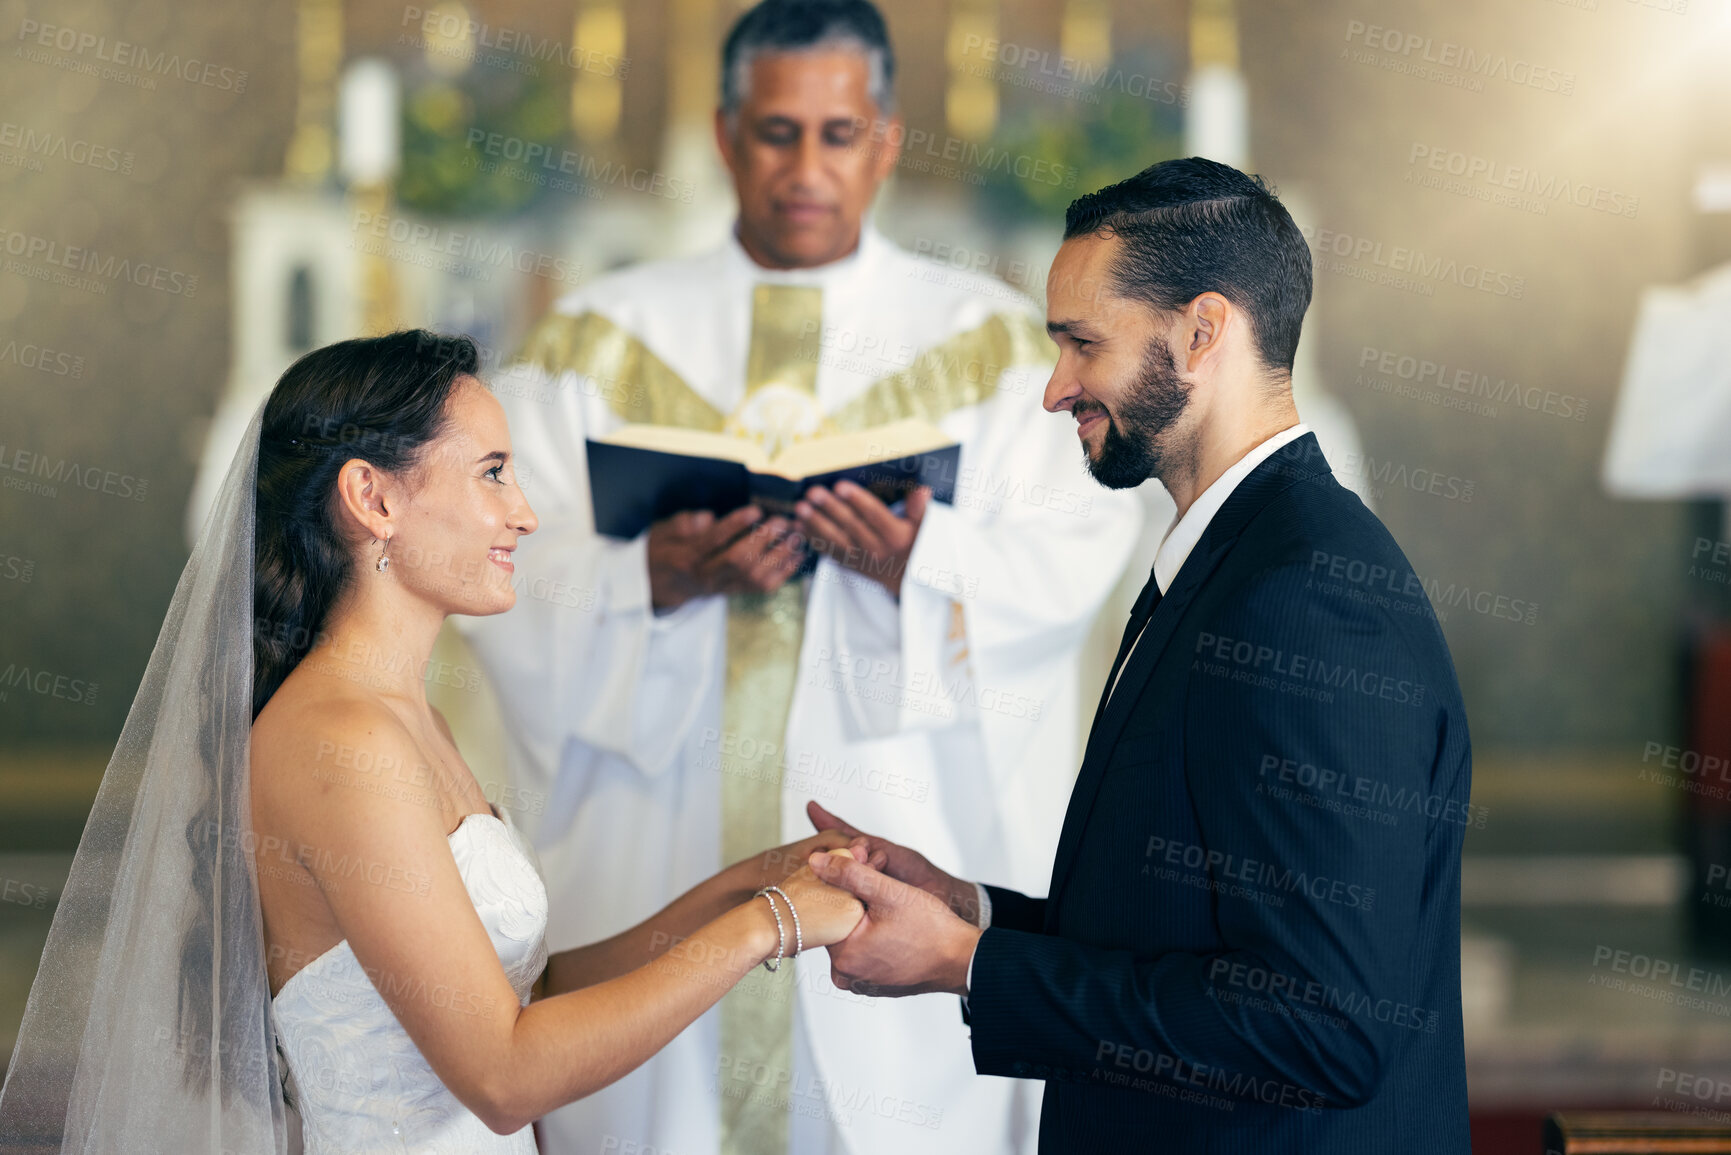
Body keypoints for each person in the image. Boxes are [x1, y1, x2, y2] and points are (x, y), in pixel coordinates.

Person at [455, 3, 1142, 1154]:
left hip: (897, 833)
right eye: (778, 133)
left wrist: (917, 558)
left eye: (839, 133)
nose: (807, 168)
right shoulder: (592, 342)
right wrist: (648, 582)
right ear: (725, 137)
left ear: (886, 138)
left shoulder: (997, 344)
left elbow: (1072, 558)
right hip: (652, 866)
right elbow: (500, 572)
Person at [0, 330, 863, 1154]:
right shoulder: (338, 739)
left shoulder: (410, 721)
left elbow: (533, 994)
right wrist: (769, 927)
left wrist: (753, 879)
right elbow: (502, 1073)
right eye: (493, 472)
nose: (523, 514)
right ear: (372, 498)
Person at [801, 158, 1473, 1154]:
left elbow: (1324, 1025)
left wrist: (974, 968)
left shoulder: (1307, 597)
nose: (1054, 389)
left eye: (1082, 343)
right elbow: (1185, 934)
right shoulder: (1234, 558)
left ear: (1203, 332)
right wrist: (971, 910)